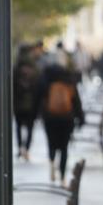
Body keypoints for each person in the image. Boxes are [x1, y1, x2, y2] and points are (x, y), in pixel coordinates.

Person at [37, 52, 83, 184]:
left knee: (51, 144)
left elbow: (39, 97)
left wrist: (39, 113)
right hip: (66, 119)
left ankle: (52, 164)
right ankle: (62, 177)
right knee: (64, 148)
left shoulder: (47, 78)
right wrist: (80, 117)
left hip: (50, 118)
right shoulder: (69, 79)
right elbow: (76, 101)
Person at [13, 44, 42, 161]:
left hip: (18, 102)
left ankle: (20, 147)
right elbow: (38, 84)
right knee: (30, 127)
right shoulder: (34, 66)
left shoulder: (16, 66)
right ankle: (27, 149)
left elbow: (12, 84)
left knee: (19, 126)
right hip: (31, 103)